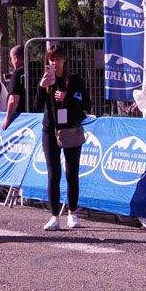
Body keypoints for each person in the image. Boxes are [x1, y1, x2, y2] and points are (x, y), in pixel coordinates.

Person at [37, 44, 90, 230]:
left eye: (58, 59)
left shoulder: (74, 79)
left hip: (70, 129)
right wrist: (41, 87)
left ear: (64, 59)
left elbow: (86, 103)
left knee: (71, 172)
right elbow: (36, 105)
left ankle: (73, 213)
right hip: (50, 129)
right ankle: (53, 216)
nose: (55, 63)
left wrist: (67, 98)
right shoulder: (45, 80)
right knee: (53, 173)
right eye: (51, 59)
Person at [0, 45, 27, 130]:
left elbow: (13, 100)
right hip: (41, 113)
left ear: (15, 58)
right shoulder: (38, 68)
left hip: (24, 115)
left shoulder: (17, 73)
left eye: (11, 59)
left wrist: (7, 119)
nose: (11, 61)